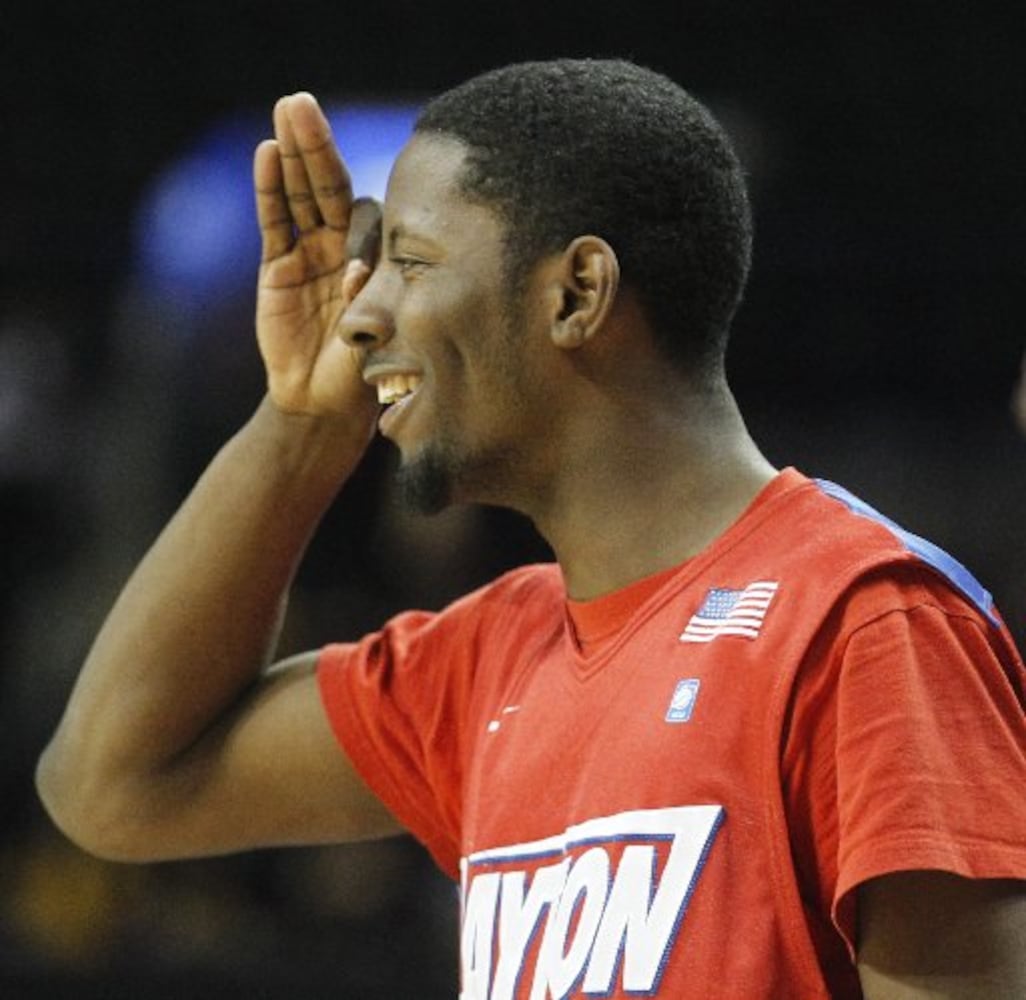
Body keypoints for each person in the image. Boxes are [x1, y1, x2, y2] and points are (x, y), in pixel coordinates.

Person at [36, 59, 1026, 999]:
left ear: (576, 293)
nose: (360, 315)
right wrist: (299, 426)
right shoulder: (487, 656)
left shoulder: (861, 625)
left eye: (410, 263)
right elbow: (113, 785)